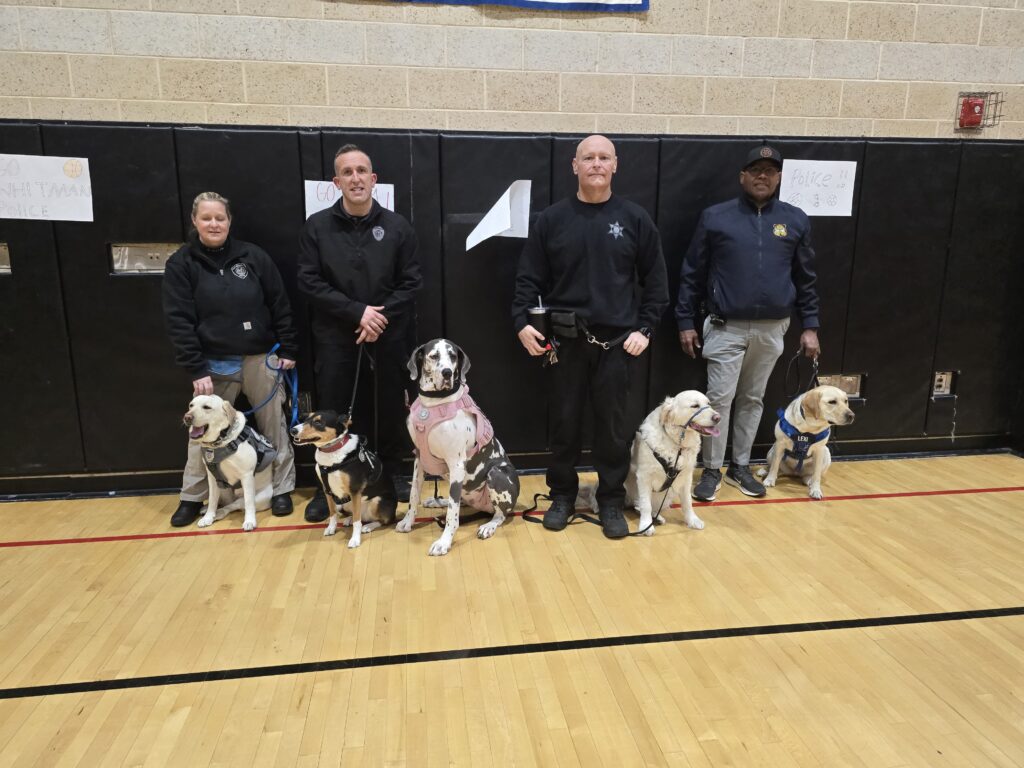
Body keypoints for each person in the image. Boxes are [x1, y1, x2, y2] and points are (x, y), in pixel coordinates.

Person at [513, 134, 669, 539]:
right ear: (574, 165)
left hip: (618, 345)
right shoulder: (552, 220)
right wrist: (521, 322)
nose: (596, 164)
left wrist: (645, 328)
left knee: (613, 429)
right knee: (564, 424)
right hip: (564, 343)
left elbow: (657, 284)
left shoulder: (635, 219)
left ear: (615, 165)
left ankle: (611, 500)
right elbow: (527, 280)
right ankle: (562, 495)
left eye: (604, 157)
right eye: (588, 158)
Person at [676, 142, 820, 502]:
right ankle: (711, 470)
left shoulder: (794, 219)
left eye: (769, 171)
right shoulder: (716, 217)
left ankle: (739, 466)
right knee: (718, 401)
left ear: (779, 178)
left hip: (774, 328)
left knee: (753, 399)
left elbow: (807, 278)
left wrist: (811, 325)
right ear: (742, 176)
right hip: (726, 326)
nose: (762, 176)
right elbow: (692, 272)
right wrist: (684, 321)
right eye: (755, 170)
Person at [298, 144, 422, 522]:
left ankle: (391, 476)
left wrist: (377, 318)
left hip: (387, 336)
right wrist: (357, 312)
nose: (355, 178)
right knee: (334, 412)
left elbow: (412, 282)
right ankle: (331, 490)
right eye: (347, 172)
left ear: (374, 179)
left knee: (387, 407)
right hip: (337, 338)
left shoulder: (398, 227)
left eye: (361, 171)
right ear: (337, 182)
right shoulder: (316, 227)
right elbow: (309, 281)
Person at [163, 191, 298, 527]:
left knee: (274, 427)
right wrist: (196, 367)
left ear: (229, 221)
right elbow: (178, 320)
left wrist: (290, 349)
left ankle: (281, 489)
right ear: (195, 221)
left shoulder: (253, 257)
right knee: (201, 432)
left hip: (260, 358)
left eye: (219, 218)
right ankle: (192, 497)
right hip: (212, 365)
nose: (213, 224)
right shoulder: (181, 264)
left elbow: (279, 303)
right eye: (206, 218)